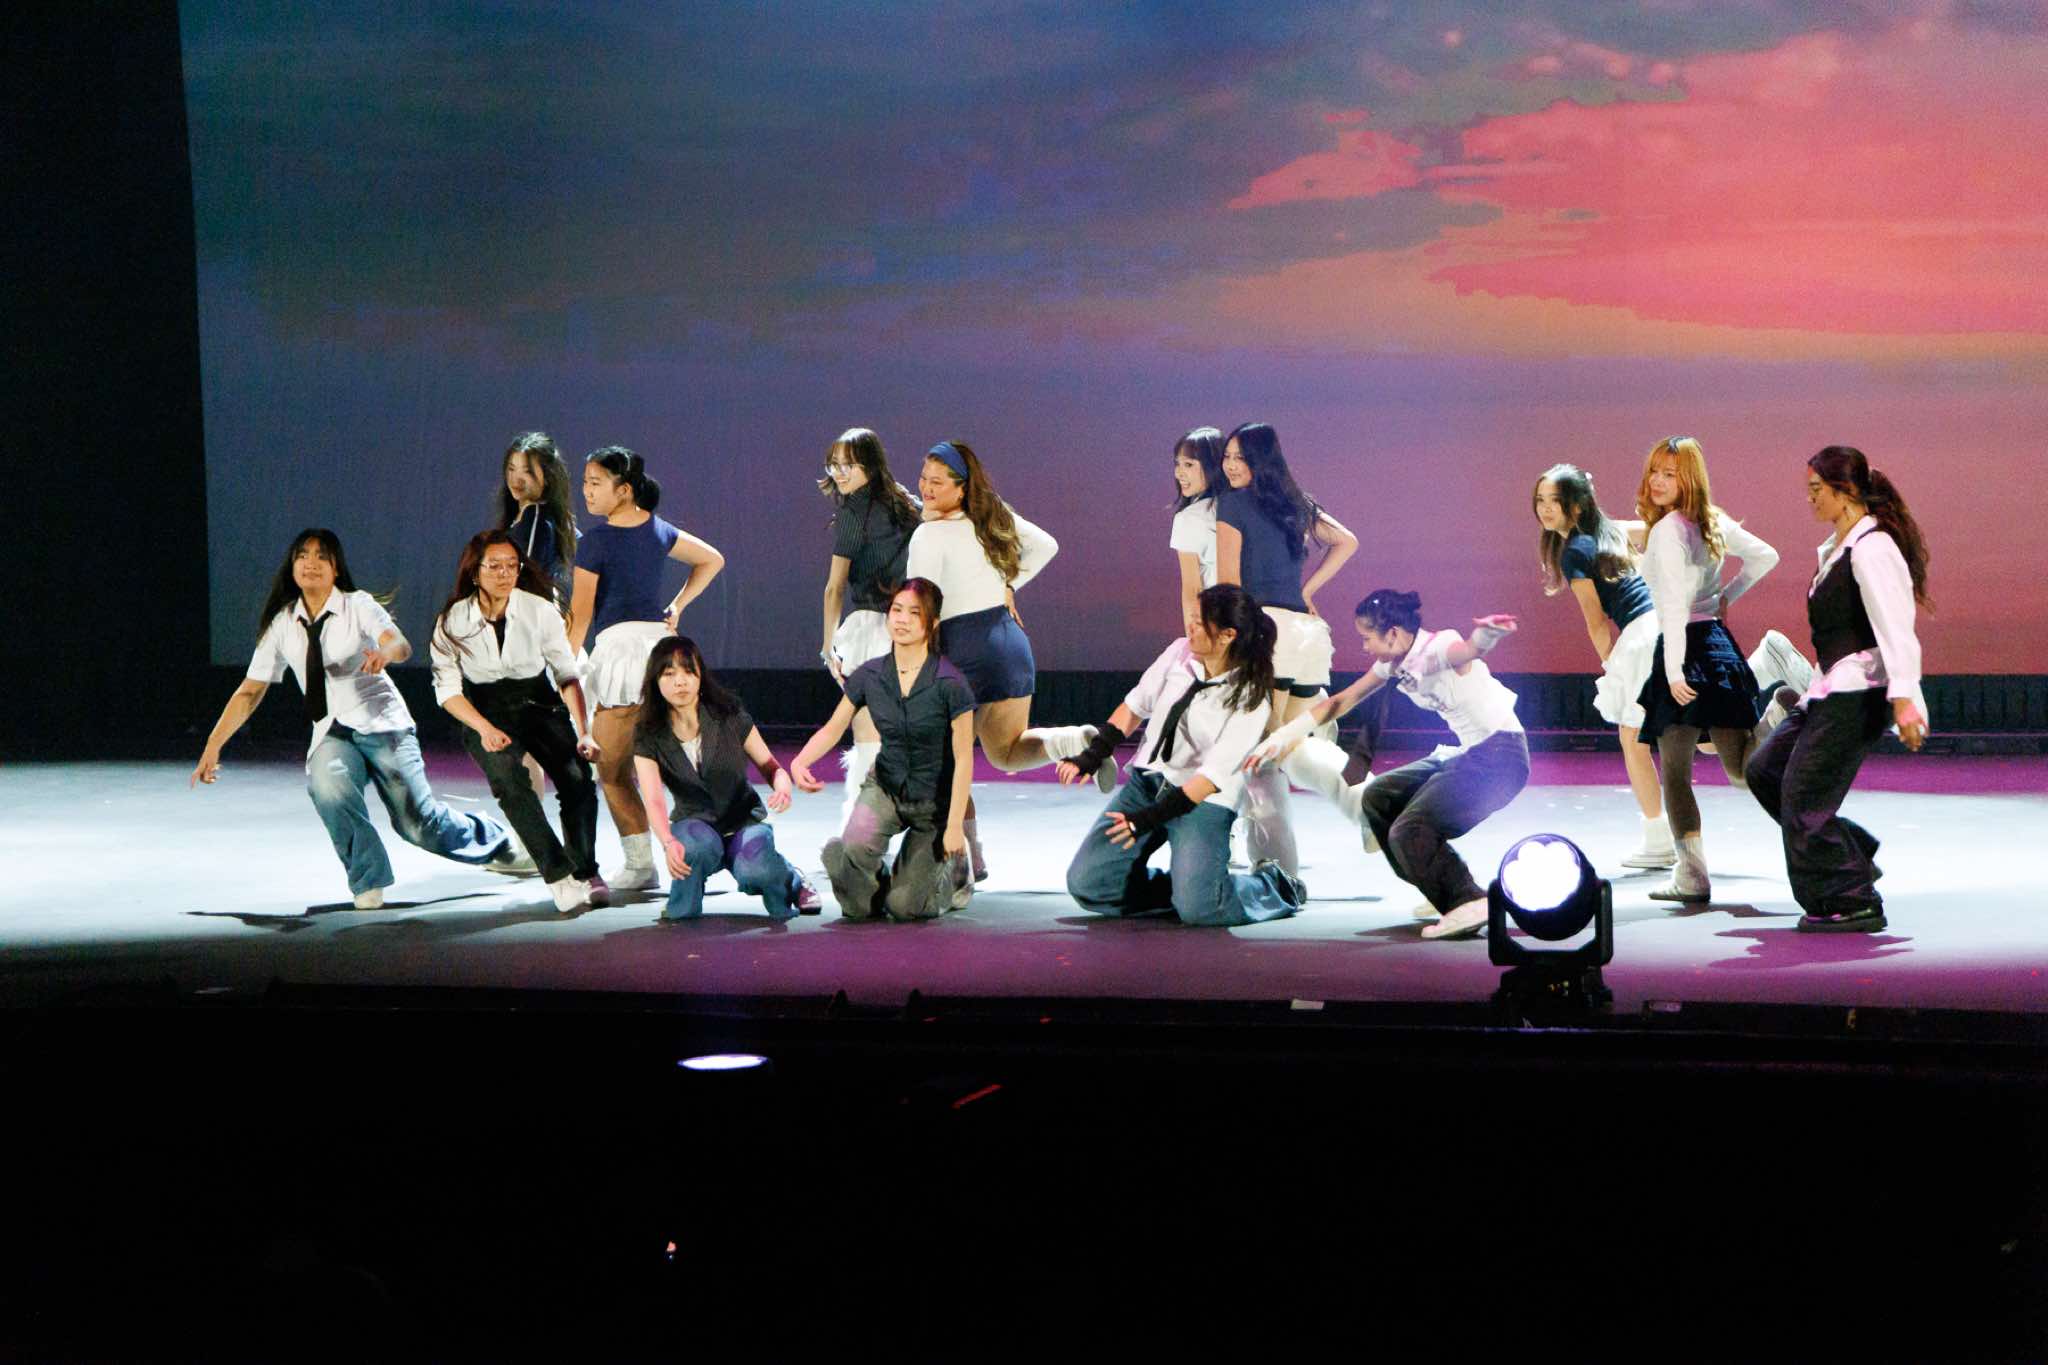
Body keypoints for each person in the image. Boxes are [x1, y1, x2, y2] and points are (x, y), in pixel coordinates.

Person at [192, 528, 513, 908]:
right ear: (292, 566)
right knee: (327, 788)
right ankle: (367, 877)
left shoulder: (357, 605)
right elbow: (250, 691)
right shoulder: (283, 623)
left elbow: (399, 643)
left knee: (417, 824)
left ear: (336, 568)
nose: (311, 563)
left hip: (384, 724)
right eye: (302, 555)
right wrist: (213, 744)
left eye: (321, 556)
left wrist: (385, 653)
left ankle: (496, 840)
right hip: (332, 730)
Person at [1249, 590, 1527, 941]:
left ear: (1393, 634)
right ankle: (1440, 887)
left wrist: (1487, 635)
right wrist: (1282, 736)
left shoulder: (1438, 647)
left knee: (1408, 829)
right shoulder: (1393, 663)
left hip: (1500, 758)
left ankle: (1467, 900)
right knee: (1378, 797)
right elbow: (1341, 701)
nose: (1364, 647)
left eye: (1367, 638)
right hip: (1470, 754)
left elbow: (1469, 650)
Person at [905, 439, 1108, 902]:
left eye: (937, 482)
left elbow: (919, 602)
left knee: (945, 764)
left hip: (959, 649)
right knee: (1006, 752)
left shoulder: (928, 536)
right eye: (923, 479)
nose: (926, 488)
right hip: (1006, 643)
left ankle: (963, 864)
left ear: (961, 487)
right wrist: (1007, 584)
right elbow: (1047, 546)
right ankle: (1074, 740)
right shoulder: (990, 514)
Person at [1744, 446, 1930, 933]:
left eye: (1816, 490)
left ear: (1845, 491)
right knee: (1765, 771)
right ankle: (1850, 856)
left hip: (1860, 692)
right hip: (1831, 688)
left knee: (1804, 795)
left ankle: (1853, 898)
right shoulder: (1839, 548)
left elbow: (1896, 627)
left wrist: (1906, 700)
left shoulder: (1872, 548)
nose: (1810, 500)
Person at [1061, 584, 1306, 926]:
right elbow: (1135, 706)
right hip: (1149, 783)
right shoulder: (1179, 652)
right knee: (1088, 884)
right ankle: (1188, 889)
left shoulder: (1250, 698)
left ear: (1227, 635)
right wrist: (1093, 754)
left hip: (1201, 802)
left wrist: (1145, 820)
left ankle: (1272, 884)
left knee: (1203, 911)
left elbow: (1208, 781)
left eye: (1200, 623)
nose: (1190, 627)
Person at [1632, 436, 1810, 904]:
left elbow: (1674, 606)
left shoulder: (1668, 530)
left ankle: (1692, 877)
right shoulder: (1711, 521)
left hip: (1684, 649)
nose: (1657, 481)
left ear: (1688, 479)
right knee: (1741, 770)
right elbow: (1765, 555)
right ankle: (1778, 711)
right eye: (1654, 471)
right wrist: (1728, 594)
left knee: (1675, 772)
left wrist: (1673, 672)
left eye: (1669, 474)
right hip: (1718, 645)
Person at [567, 445, 725, 895]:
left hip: (621, 655)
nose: (586, 491)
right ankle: (710, 853)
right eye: (585, 483)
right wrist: (677, 606)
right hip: (662, 654)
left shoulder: (595, 541)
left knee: (612, 769)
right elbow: (712, 559)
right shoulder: (658, 529)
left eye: (595, 483)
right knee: (682, 767)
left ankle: (641, 865)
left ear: (624, 490)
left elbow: (580, 617)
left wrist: (562, 668)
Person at [1214, 422, 1359, 883]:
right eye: (1227, 457)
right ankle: (1368, 807)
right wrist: (1307, 590)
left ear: (1260, 460)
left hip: (1266, 634)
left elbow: (1229, 584)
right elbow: (1347, 541)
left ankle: (1276, 871)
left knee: (1262, 753)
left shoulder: (1232, 503)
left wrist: (1228, 641)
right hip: (1306, 636)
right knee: (1293, 744)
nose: (1230, 465)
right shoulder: (1295, 502)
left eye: (1240, 457)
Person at [429, 531, 601, 913]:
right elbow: (447, 690)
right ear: (475, 571)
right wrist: (484, 729)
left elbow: (566, 673)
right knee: (509, 782)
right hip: (485, 711)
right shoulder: (453, 621)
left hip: (539, 703)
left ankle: (585, 870)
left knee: (577, 778)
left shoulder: (539, 610)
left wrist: (585, 732)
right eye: (494, 566)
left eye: (512, 565)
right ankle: (558, 875)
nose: (504, 573)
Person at [792, 578, 977, 921]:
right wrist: (800, 762)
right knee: (860, 907)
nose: (902, 619)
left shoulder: (951, 683)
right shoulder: (870, 674)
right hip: (886, 786)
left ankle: (953, 876)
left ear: (932, 623)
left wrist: (954, 826)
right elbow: (834, 728)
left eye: (914, 613)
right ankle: (855, 867)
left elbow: (964, 758)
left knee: (905, 908)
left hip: (932, 803)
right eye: (896, 610)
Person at [1533, 463, 1673, 868]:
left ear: (1577, 505)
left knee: (1634, 739)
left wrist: (1610, 662)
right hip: (1664, 624)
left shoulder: (1575, 551)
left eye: (1555, 500)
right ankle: (1764, 693)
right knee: (1695, 735)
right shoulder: (1612, 530)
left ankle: (1659, 840)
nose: (1545, 508)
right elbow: (1662, 531)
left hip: (1642, 634)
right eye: (1540, 500)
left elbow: (1594, 619)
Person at [631, 636, 819, 922]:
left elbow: (771, 767)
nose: (680, 682)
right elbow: (653, 799)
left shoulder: (729, 715)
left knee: (756, 871)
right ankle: (684, 901)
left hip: (743, 821)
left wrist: (782, 785)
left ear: (700, 676)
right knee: (691, 853)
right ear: (655, 681)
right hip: (695, 822)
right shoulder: (647, 733)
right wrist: (668, 841)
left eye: (688, 672)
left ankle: (791, 879)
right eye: (669, 674)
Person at [818, 427, 922, 825]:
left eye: (848, 465)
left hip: (871, 631)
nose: (839, 473)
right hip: (912, 630)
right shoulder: (904, 503)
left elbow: (835, 587)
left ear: (870, 465)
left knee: (867, 734)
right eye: (834, 464)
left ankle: (862, 827)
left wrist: (827, 646)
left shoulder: (852, 513)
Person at [496, 431, 577, 596]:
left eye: (527, 471)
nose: (516, 479)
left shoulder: (535, 516)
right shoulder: (554, 519)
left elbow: (525, 579)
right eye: (511, 469)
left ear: (547, 476)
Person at [1168, 425, 1228, 627]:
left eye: (1189, 464)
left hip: (1216, 623)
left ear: (1212, 466)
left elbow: (1192, 590)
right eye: (1177, 464)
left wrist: (1193, 636)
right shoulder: (1243, 507)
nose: (1179, 473)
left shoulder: (1189, 519)